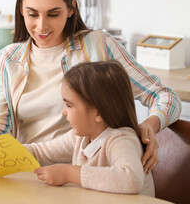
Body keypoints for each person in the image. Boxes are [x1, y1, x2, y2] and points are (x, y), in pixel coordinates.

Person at [0, 0, 181, 172]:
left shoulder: (98, 44)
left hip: (90, 174)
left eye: (53, 14)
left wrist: (151, 124)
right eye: (32, 14)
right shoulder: (9, 58)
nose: (41, 26)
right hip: (25, 169)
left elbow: (164, 95)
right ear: (21, 10)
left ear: (71, 9)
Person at [25, 60, 155, 196]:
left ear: (98, 113)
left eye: (69, 105)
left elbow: (131, 179)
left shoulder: (121, 140)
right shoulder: (79, 137)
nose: (64, 112)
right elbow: (41, 152)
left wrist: (69, 173)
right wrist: (4, 150)